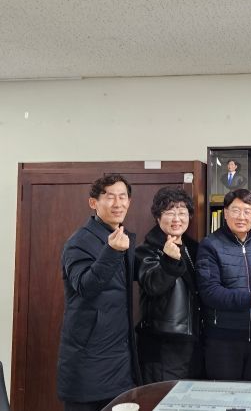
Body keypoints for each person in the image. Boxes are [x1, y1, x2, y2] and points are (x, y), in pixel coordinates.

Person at [57, 174, 141, 411]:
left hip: (120, 361)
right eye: (110, 197)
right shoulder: (78, 242)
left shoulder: (121, 237)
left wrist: (169, 262)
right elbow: (86, 286)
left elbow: (140, 277)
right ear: (93, 203)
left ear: (129, 202)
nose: (118, 203)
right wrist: (112, 251)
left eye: (122, 197)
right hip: (88, 361)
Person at [196, 188, 251, 381]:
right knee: (225, 395)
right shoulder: (210, 245)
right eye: (236, 210)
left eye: (247, 211)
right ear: (225, 213)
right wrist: (250, 299)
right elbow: (210, 292)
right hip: (223, 340)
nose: (241, 217)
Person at [136, 187, 203, 383]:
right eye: (170, 212)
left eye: (182, 212)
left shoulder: (193, 248)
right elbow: (153, 285)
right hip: (163, 344)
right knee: (164, 396)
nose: (177, 218)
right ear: (158, 217)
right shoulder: (147, 250)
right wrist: (169, 260)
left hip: (193, 342)